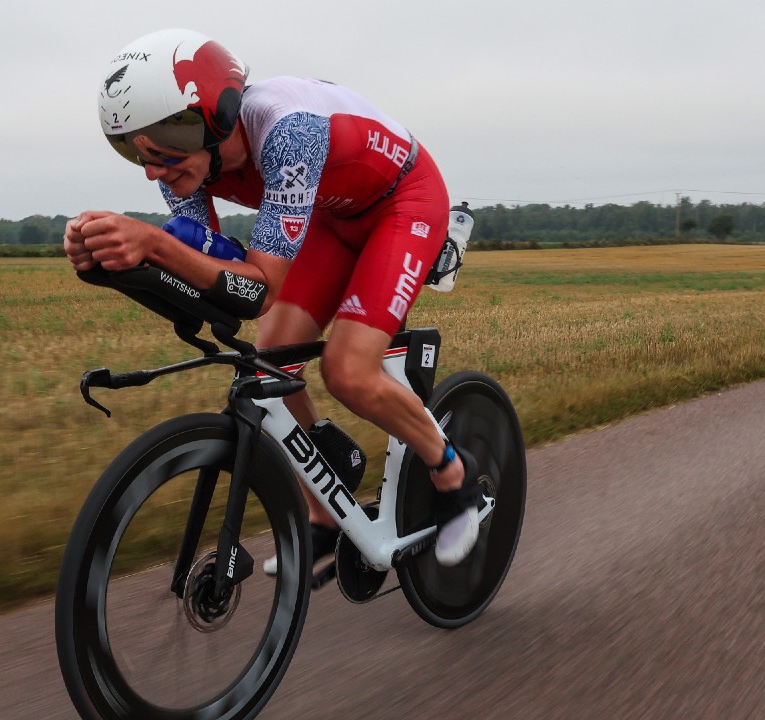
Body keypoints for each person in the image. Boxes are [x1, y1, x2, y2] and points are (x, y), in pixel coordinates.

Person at [63, 28, 484, 568]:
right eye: (133, 150)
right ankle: (325, 515)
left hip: (404, 202)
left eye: (165, 146)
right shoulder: (182, 165)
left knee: (348, 371)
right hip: (332, 218)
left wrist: (155, 244)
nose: (152, 169)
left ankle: (454, 474)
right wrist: (121, 258)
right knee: (267, 372)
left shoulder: (288, 132)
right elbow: (208, 269)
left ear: (215, 118)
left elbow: (257, 287)